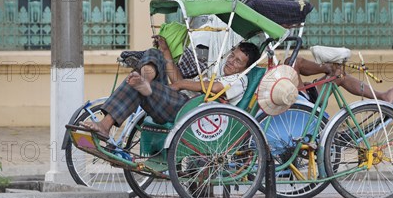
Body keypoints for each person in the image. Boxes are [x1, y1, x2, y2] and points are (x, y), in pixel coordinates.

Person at [80, 36, 259, 137]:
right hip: (182, 104)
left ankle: (107, 123)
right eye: (232, 56)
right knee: (154, 54)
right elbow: (177, 81)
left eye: (238, 61)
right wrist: (166, 52)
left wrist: (181, 84)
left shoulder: (239, 80)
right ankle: (145, 80)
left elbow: (215, 88)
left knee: (137, 83)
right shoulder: (219, 72)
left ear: (245, 67)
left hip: (191, 113)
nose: (231, 62)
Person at [289, 57, 393, 104]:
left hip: (304, 97)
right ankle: (328, 67)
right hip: (297, 99)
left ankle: (382, 96)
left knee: (340, 76)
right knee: (294, 61)